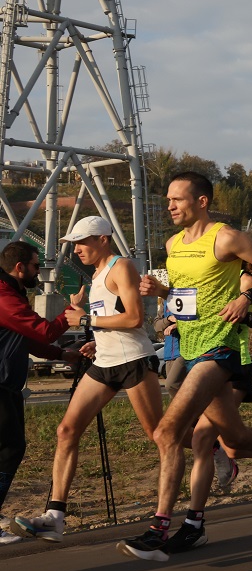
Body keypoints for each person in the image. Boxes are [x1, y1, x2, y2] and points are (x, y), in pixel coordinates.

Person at [123, 171, 252, 562]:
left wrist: (246, 298)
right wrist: (163, 294)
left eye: (177, 199)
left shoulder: (225, 236)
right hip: (191, 346)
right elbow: (188, 296)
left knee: (168, 431)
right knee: (233, 437)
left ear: (201, 201)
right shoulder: (173, 244)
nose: (169, 206)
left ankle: (160, 527)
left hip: (223, 348)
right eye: (167, 200)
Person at [11, 217, 163, 543]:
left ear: (103, 239)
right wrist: (97, 338)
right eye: (75, 243)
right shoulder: (94, 277)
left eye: (82, 242)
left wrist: (86, 318)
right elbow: (111, 320)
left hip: (134, 360)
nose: (76, 249)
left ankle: (215, 448)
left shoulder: (122, 267)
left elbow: (136, 318)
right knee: (66, 430)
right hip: (105, 362)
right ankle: (55, 517)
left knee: (158, 435)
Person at [161, 263, 252, 556]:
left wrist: (248, 315)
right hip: (207, 361)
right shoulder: (206, 281)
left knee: (202, 440)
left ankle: (194, 526)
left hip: (237, 364)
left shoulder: (245, 280)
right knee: (231, 442)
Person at [0, 241, 85, 545]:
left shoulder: (12, 294)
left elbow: (30, 341)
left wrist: (63, 355)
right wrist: (71, 311)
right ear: (20, 267)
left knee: (12, 447)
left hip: (7, 384)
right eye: (37, 265)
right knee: (9, 448)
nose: (40, 271)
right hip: (0, 383)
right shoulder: (4, 296)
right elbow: (43, 331)